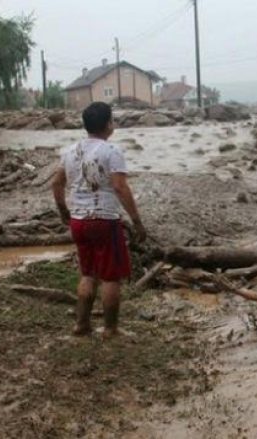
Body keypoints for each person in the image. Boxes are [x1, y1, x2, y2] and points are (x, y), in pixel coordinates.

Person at [52, 102, 147, 339]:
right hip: (104, 221)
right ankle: (110, 329)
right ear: (108, 125)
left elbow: (56, 183)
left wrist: (64, 210)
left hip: (79, 221)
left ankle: (81, 325)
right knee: (110, 277)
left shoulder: (70, 151)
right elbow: (119, 187)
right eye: (112, 120)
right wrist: (136, 220)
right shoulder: (111, 151)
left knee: (88, 273)